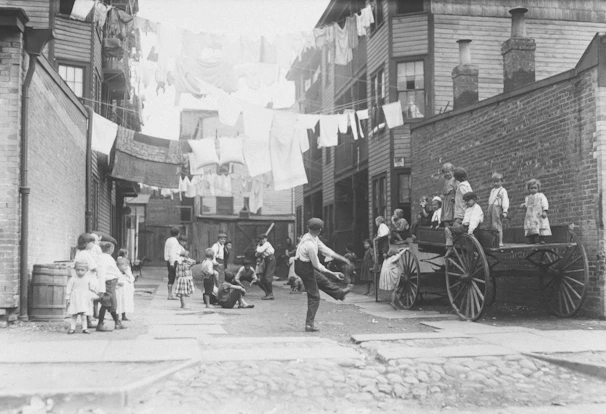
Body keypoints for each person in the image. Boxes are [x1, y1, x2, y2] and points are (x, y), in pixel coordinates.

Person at [295, 218, 352, 332]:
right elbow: (317, 265)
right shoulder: (310, 245)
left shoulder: (311, 237)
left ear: (308, 228)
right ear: (320, 230)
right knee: (314, 296)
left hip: (303, 266)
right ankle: (309, 325)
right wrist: (333, 273)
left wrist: (341, 258)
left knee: (322, 280)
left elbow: (325, 250)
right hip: (304, 268)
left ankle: (340, 294)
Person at [96, 242, 126, 331]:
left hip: (110, 282)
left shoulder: (102, 258)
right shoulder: (107, 259)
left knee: (112, 302)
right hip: (109, 282)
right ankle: (100, 324)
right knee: (106, 303)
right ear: (110, 249)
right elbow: (107, 272)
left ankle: (117, 322)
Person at [445, 192, 483, 257]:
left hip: (469, 228)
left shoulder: (476, 208)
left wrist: (470, 230)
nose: (466, 202)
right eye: (465, 201)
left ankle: (450, 247)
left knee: (447, 229)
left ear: (474, 199)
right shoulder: (469, 208)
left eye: (468, 200)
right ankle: (472, 253)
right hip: (466, 226)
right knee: (468, 244)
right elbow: (467, 219)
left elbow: (474, 220)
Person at [74, 233, 99, 326]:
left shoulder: (79, 253)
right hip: (88, 279)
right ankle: (88, 320)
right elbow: (94, 267)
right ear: (86, 243)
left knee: (85, 300)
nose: (93, 245)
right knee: (89, 300)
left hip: (80, 279)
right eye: (91, 242)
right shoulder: (86, 254)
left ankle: (87, 320)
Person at [66, 259, 97, 334]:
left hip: (83, 298)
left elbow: (92, 287)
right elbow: (69, 289)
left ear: (86, 270)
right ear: (75, 270)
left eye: (82, 270)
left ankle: (85, 328)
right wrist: (67, 297)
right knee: (74, 314)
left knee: (83, 314)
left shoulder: (87, 279)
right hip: (75, 298)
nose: (80, 272)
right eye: (78, 270)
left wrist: (96, 291)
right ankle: (72, 328)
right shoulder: (73, 279)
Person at [521, 178, 551, 244]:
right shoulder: (528, 198)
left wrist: (544, 211)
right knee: (531, 226)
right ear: (528, 189)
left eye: (535, 188)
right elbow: (527, 205)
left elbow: (544, 203)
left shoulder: (541, 195)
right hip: (531, 215)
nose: (533, 189)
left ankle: (542, 239)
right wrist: (524, 206)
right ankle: (531, 239)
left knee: (541, 225)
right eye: (531, 188)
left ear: (538, 188)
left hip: (538, 214)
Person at [488, 172, 510, 247]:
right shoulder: (492, 190)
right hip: (491, 207)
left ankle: (500, 241)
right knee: (491, 225)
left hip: (497, 207)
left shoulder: (503, 190)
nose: (495, 183)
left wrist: (505, 211)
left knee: (497, 225)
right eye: (494, 181)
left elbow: (505, 201)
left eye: (497, 181)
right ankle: (493, 241)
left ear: (502, 181)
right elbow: (490, 200)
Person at [164, 227, 185, 300]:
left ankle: (170, 294)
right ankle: (170, 295)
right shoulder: (175, 242)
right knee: (173, 277)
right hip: (173, 261)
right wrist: (172, 263)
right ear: (178, 234)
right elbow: (172, 253)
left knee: (171, 277)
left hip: (168, 260)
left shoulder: (168, 240)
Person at [256, 234, 276, 300]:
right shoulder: (263, 245)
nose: (262, 240)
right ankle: (268, 293)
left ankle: (270, 294)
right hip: (266, 260)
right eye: (261, 239)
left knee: (267, 277)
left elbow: (259, 251)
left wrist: (258, 245)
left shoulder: (267, 244)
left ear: (266, 239)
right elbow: (256, 254)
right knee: (263, 278)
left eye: (264, 239)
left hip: (271, 259)